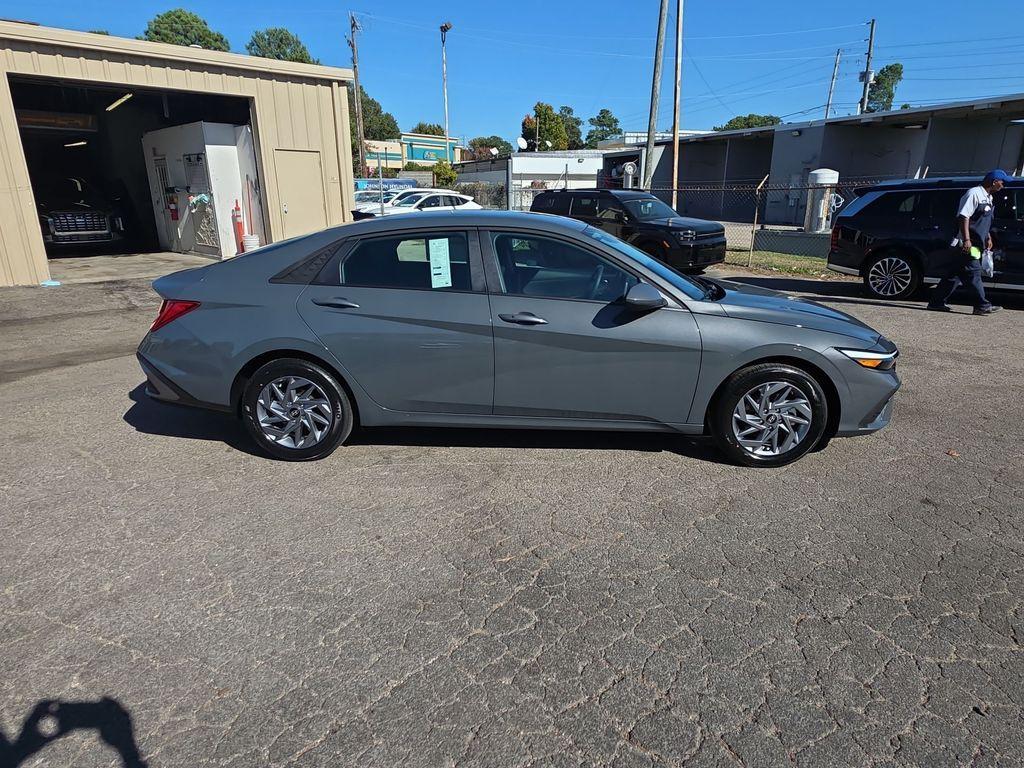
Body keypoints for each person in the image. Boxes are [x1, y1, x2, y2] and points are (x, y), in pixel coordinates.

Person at [927, 169, 1011, 315]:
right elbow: (964, 217)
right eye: (1002, 183)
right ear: (993, 182)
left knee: (955, 274)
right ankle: (982, 305)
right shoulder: (974, 194)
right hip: (966, 243)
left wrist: (988, 236)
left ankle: (936, 302)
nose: (1003, 186)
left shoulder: (989, 198)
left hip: (978, 243)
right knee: (974, 272)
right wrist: (966, 239)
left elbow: (982, 221)